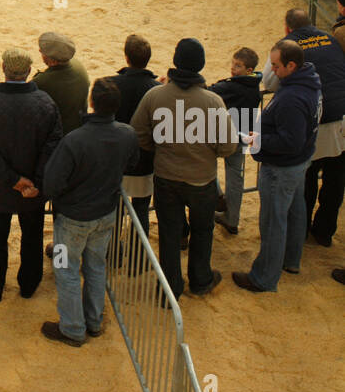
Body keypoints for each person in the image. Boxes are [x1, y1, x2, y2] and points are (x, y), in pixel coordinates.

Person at [131, 39, 238, 300]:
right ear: (200, 65)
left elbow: (138, 133)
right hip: (202, 180)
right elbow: (227, 146)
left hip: (166, 177)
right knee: (203, 230)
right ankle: (201, 280)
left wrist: (160, 147)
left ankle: (170, 288)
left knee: (169, 232)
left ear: (176, 61)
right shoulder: (213, 101)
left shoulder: (155, 95)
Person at [41, 77, 137, 346]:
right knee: (96, 266)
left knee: (65, 268)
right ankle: (93, 321)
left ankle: (72, 328)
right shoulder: (127, 134)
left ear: (92, 103)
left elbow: (52, 182)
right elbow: (132, 162)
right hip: (105, 215)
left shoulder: (75, 140)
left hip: (71, 219)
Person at [0, 47, 63, 303]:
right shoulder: (45, 103)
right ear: (29, 72)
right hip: (33, 189)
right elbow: (53, 146)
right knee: (32, 238)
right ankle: (28, 285)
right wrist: (33, 181)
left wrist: (13, 180)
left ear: (3, 69)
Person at [233, 40, 322, 293]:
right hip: (300, 161)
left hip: (282, 167)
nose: (271, 71)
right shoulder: (309, 80)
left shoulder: (293, 98)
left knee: (273, 221)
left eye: (275, 66)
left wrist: (257, 139)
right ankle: (291, 261)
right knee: (295, 209)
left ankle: (263, 278)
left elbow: (289, 141)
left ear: (291, 65)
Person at [270, 10, 345, 249]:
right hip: (343, 115)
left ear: (287, 29)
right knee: (336, 178)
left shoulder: (287, 46)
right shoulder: (330, 38)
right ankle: (324, 232)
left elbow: (270, 81)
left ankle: (299, 232)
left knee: (307, 175)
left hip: (316, 118)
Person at [210, 47, 262, 236]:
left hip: (224, 135)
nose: (233, 68)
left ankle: (218, 197)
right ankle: (232, 219)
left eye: (238, 66)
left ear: (248, 70)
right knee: (235, 177)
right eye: (233, 64)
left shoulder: (232, 86)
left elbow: (211, 92)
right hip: (241, 135)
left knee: (207, 165)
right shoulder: (254, 85)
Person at [113, 33, 159, 236]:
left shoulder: (112, 84)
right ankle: (138, 256)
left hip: (118, 160)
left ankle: (114, 251)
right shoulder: (157, 89)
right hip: (145, 160)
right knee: (141, 209)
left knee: (114, 210)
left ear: (126, 57)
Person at [33, 32, 90, 136]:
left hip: (60, 134)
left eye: (44, 52)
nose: (40, 51)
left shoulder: (43, 81)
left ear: (53, 61)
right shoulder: (78, 65)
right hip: (79, 126)